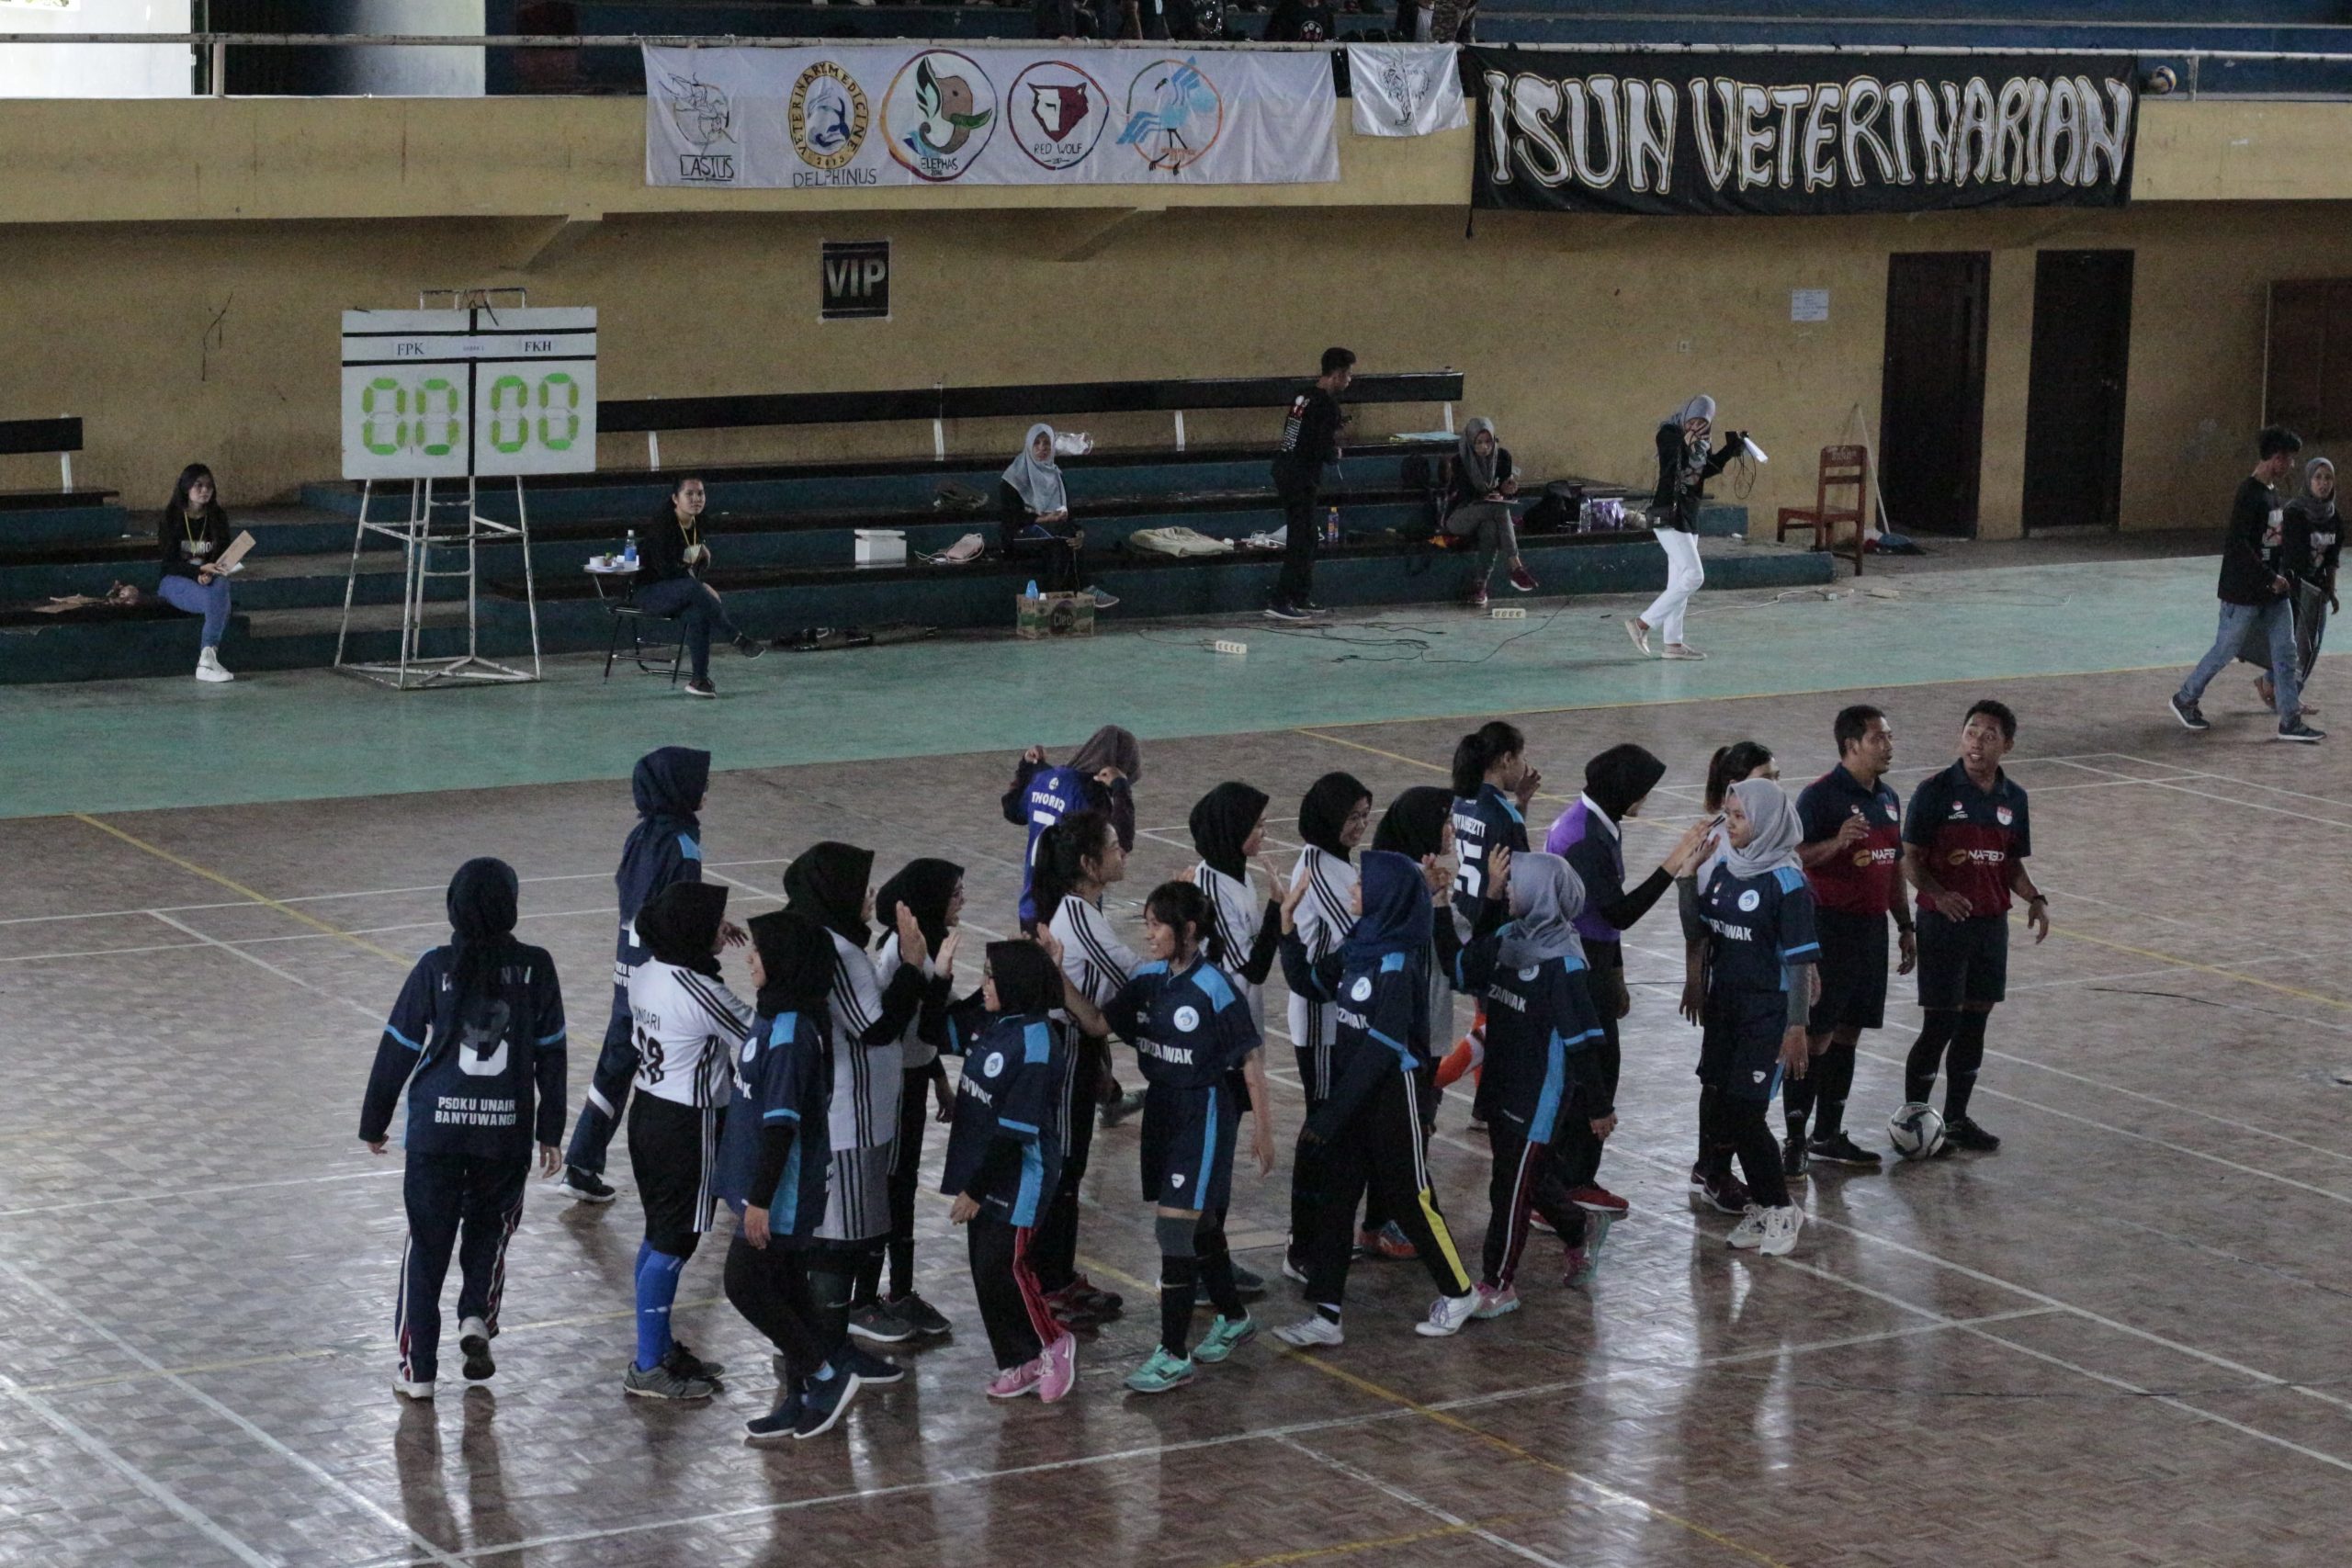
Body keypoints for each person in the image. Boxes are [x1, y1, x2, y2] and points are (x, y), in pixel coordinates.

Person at [360, 858, 566, 1400]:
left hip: (436, 1134)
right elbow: (553, 1054)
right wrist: (551, 1128)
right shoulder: (537, 966)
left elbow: (398, 1047)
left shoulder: (434, 967)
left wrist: (374, 1121)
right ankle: (476, 1313)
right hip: (505, 1133)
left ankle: (418, 1371)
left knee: (426, 1247)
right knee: (489, 1232)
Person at [1273, 850, 1483, 1345]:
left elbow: (1384, 1046)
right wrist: (1286, 930)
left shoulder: (1398, 961)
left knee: (1410, 1197)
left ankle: (1459, 1292)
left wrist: (1334, 1111)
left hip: (1393, 1094)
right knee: (1336, 1196)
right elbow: (1309, 983)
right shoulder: (1358, 944)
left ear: (1386, 896)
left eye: (1361, 885)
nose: (1351, 891)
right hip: (1354, 1092)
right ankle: (1326, 1315)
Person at [1100, 881, 1275, 1393]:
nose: (1149, 934)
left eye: (1157, 924)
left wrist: (1264, 1131)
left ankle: (1172, 1354)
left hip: (1203, 1111)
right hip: (1163, 1110)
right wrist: (1052, 978)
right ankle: (1235, 1317)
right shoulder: (1149, 979)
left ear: (1189, 931)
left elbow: (1250, 1060)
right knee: (1199, 1229)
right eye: (1147, 923)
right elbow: (1098, 1023)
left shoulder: (1216, 989)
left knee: (1174, 1231)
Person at [1541, 745, 1710, 1226]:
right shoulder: (1587, 837)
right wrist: (1674, 862)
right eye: (1643, 790)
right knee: (1592, 1074)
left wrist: (1616, 973)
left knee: (1596, 1068)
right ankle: (1568, 1183)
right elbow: (1617, 913)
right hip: (1578, 966)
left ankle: (1569, 1178)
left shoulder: (1594, 821)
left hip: (1593, 961)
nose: (1646, 799)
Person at [781, 842, 933, 1371]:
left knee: (844, 1235)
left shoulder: (831, 941)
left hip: (856, 1113)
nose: (872, 896)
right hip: (849, 1117)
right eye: (862, 887)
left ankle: (817, 1344)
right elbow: (875, 1027)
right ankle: (825, 1350)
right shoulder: (837, 952)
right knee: (837, 1242)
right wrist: (912, 966)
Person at [715, 910, 862, 1442]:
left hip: (780, 1190)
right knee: (785, 1287)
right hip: (763, 1184)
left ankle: (826, 1375)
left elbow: (781, 1128)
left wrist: (759, 1200)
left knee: (744, 1284)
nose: (750, 957)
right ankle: (800, 1393)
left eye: (759, 950)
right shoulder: (773, 1015)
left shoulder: (793, 1034)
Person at [560, 747, 722, 1206]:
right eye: (701, 782)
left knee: (615, 1066)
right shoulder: (683, 844)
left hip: (626, 972)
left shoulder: (640, 837)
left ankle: (582, 1161)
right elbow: (680, 912)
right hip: (664, 976)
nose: (706, 789)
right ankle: (731, 1166)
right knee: (711, 1060)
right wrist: (705, 938)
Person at [1451, 851, 1606, 1313]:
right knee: (1526, 1180)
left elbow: (1582, 1042)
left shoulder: (1565, 965)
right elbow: (1463, 970)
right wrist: (1491, 900)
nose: (1511, 887)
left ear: (1541, 893)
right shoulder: (1506, 936)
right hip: (1501, 1081)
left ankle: (1499, 1284)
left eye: (1517, 883)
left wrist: (1599, 1106)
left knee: (1508, 1187)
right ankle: (1579, 1228)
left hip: (1538, 1092)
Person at [939, 938, 1084, 1404]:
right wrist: (939, 974)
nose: (983, 985)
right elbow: (934, 1031)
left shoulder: (1039, 1042)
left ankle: (1054, 1344)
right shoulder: (994, 1021)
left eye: (991, 976)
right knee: (985, 1271)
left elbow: (1014, 1132)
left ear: (1016, 984)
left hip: (1019, 1177)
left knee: (1008, 1267)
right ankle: (1018, 1361)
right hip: (984, 1170)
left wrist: (975, 1192)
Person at [1899, 700, 2048, 1154]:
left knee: (1974, 1023)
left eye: (1988, 734)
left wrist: (2034, 898)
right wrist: (1939, 896)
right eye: (1971, 731)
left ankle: (1958, 1118)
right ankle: (1915, 1121)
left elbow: (2010, 863)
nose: (1976, 742)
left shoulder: (2013, 798)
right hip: (1943, 925)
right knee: (1940, 1023)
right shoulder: (1936, 791)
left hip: (1989, 926)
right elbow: (1910, 859)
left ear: (2007, 745)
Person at [622, 880, 751, 1399]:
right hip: (687, 1125)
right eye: (714, 919)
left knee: (658, 1230)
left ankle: (656, 1346)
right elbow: (756, 1034)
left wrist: (710, 944)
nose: (724, 925)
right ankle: (648, 1363)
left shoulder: (647, 971)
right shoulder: (702, 991)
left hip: (647, 1113)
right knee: (679, 1239)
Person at [1784, 707, 1914, 1177]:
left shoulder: (1890, 799)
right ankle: (1795, 1139)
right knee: (1815, 1036)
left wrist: (1905, 924)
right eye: (1879, 737)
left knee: (1849, 1032)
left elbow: (1893, 864)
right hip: (1828, 929)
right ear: (1851, 744)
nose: (1889, 745)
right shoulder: (1819, 798)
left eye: (1890, 736)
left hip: (1871, 931)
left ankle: (1829, 1134)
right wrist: (1836, 843)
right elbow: (1794, 856)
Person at [1692, 778, 1819, 1257]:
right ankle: (1766, 1208)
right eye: (1728, 814)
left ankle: (1782, 1208)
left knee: (1747, 1114)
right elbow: (1700, 929)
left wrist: (1797, 1027)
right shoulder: (1726, 867)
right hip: (1727, 1009)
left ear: (1767, 822)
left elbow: (1801, 963)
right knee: (1726, 1110)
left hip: (1768, 1015)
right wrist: (1688, 877)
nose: (1731, 824)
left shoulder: (1787, 883)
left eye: (1740, 816)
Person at [850, 859, 964, 1340]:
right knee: (892, 1186)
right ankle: (866, 1298)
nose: (963, 900)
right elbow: (910, 1021)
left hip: (913, 1077)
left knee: (904, 1182)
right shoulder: (905, 950)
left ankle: (900, 1290)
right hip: (895, 1086)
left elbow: (921, 1031)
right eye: (956, 892)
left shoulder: (925, 942)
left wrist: (937, 1074)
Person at [1035, 810, 1136, 1329]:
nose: (1124, 852)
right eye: (1114, 846)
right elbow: (1134, 977)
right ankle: (1047, 1284)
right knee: (1065, 1167)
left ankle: (1059, 1274)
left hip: (1080, 1052)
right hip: (1065, 1055)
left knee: (1070, 1169)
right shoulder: (1078, 917)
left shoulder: (1083, 913)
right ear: (1088, 864)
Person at [2169, 426, 2323, 741]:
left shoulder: (2273, 494)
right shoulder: (2249, 495)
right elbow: (2239, 545)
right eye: (2289, 459)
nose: (2292, 466)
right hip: (2244, 593)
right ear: (2276, 458)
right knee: (2226, 649)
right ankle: (2185, 698)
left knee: (2286, 652)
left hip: (2274, 595)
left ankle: (2290, 721)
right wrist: (2269, 578)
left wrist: (2286, 576)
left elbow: (2273, 543)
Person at [1677, 740, 1778, 1213]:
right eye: (1766, 778)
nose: (1775, 786)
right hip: (1728, 984)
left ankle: (1726, 1164)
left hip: (1758, 987)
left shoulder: (1769, 840)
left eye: (1775, 777)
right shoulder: (1718, 843)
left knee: (1736, 1084)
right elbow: (1699, 926)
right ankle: (1711, 1167)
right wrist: (1695, 980)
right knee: (1718, 1079)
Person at [1284, 773, 1379, 1269]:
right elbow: (1365, 932)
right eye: (1350, 817)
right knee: (1322, 1128)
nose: (1358, 826)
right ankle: (1304, 1245)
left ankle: (1323, 1237)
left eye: (1365, 816)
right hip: (1322, 1023)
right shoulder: (1321, 868)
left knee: (1339, 1128)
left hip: (1340, 1017)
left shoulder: (1337, 862)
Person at [1626, 396, 1746, 661]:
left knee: (1678, 581)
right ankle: (1642, 624)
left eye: (1703, 422)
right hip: (1668, 513)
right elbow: (1671, 463)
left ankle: (1673, 644)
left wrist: (1729, 450)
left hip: (1689, 515)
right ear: (1686, 415)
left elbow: (1703, 472)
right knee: (1694, 576)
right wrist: (1687, 441)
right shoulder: (1668, 433)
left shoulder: (1703, 441)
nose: (1697, 425)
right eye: (1693, 419)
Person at [632, 474, 763, 699]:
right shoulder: (663, 527)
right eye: (689, 494)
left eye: (700, 493)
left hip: (679, 591)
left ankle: (699, 680)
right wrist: (699, 586)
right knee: (695, 589)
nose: (696, 499)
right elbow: (666, 571)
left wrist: (701, 551)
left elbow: (688, 559)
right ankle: (736, 637)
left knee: (698, 613)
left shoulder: (698, 522)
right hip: (650, 593)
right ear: (675, 498)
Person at [1002, 725, 1142, 928]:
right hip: (1070, 912)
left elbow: (1013, 810)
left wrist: (1025, 766)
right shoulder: (1090, 795)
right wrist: (1120, 787)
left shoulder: (1045, 777)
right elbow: (1121, 841)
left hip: (1031, 903)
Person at [1268, 346, 1356, 623]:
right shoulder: (1328, 405)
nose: (1350, 380)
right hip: (1301, 476)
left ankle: (1300, 594)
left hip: (1285, 469)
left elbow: (1293, 436)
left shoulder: (1302, 397)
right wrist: (1335, 452)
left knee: (1306, 536)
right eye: (1349, 375)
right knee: (1301, 538)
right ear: (1338, 374)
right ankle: (1282, 599)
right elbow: (1322, 448)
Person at [1000, 423, 1115, 610]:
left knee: (1061, 545)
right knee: (1061, 536)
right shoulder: (1013, 478)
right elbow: (1010, 519)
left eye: (1047, 443)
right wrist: (1042, 519)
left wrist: (1079, 533)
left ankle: (1055, 607)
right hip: (1019, 535)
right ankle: (1085, 586)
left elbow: (1066, 514)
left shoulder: (1055, 476)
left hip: (1053, 534)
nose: (1042, 448)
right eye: (1036, 443)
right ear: (1029, 446)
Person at [1449, 720, 1543, 934]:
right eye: (1523, 758)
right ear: (1507, 759)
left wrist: (1521, 802)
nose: (1525, 766)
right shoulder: (1504, 815)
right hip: (1492, 918)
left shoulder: (1461, 800)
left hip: (1463, 909)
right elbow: (1521, 881)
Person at [2264, 456, 2342, 711]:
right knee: (2301, 647)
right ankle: (2289, 697)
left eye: (2328, 478)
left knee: (2311, 643)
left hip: (2317, 589)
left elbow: (2332, 558)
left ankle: (2268, 682)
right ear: (2308, 480)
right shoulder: (2295, 512)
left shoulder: (2333, 517)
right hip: (2296, 587)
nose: (2323, 483)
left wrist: (2331, 588)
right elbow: (2290, 555)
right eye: (2318, 477)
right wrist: (2297, 587)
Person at [1440, 419, 1536, 608]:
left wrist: (1508, 490)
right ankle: (1515, 566)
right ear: (1470, 441)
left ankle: (1480, 586)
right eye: (1479, 442)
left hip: (1490, 514)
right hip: (1461, 516)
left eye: (1488, 442)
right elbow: (1466, 496)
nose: (1484, 447)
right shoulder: (1459, 461)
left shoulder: (1502, 457)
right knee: (1499, 508)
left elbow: (1504, 488)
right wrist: (1491, 495)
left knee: (1491, 529)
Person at [156, 462, 236, 683]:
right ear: (186, 488)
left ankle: (206, 659)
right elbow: (169, 563)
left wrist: (210, 572)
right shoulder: (171, 517)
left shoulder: (217, 517)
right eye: (198, 485)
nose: (205, 490)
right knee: (220, 602)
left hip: (209, 580)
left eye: (209, 486)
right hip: (175, 581)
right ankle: (208, 659)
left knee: (221, 586)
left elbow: (222, 556)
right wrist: (197, 571)